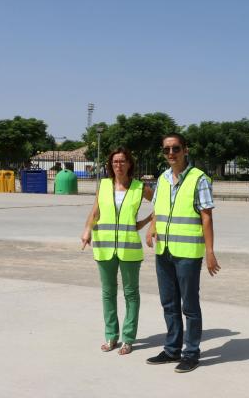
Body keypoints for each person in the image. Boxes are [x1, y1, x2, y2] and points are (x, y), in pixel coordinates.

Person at [145, 133, 220, 373]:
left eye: (175, 149)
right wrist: (151, 228)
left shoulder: (199, 179)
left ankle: (191, 352)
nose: (170, 154)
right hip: (164, 251)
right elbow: (157, 208)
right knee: (168, 303)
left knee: (189, 305)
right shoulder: (163, 178)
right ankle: (171, 350)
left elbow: (206, 217)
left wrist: (210, 252)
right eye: (166, 149)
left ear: (185, 150)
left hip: (188, 253)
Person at [81, 147, 154, 355]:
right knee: (108, 293)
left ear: (129, 164)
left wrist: (150, 222)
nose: (118, 165)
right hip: (104, 247)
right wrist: (87, 231)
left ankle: (128, 338)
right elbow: (95, 212)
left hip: (129, 249)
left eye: (122, 161)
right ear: (110, 165)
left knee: (131, 294)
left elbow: (161, 204)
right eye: (115, 162)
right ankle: (111, 336)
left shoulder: (140, 187)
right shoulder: (103, 185)